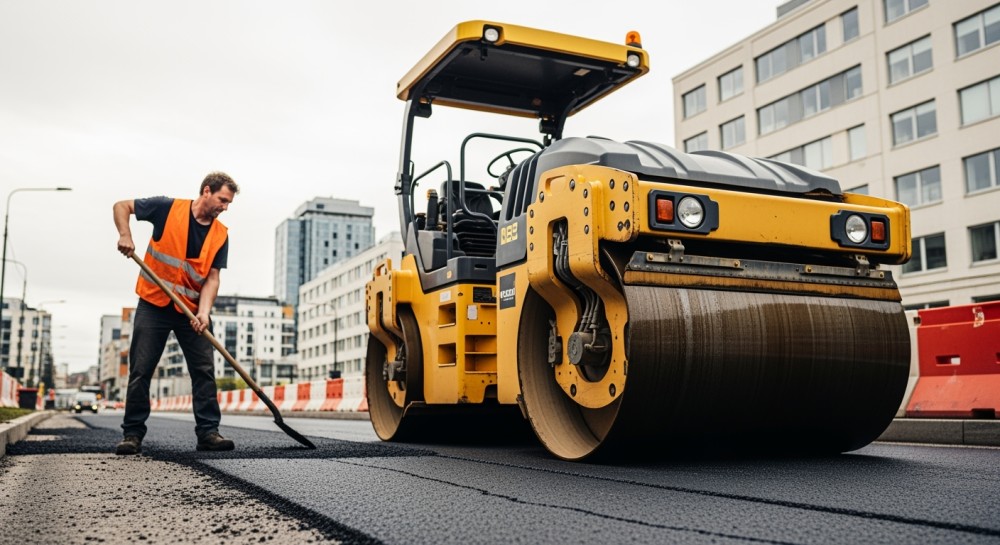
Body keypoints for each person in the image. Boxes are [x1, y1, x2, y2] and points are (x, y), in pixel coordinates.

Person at [112, 172, 239, 455]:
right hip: (154, 305)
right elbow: (121, 206)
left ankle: (208, 433)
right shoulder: (167, 208)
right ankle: (132, 434)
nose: (225, 207)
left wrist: (204, 313)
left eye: (229, 203)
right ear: (206, 191)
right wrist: (125, 234)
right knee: (141, 370)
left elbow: (212, 278)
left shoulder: (221, 235)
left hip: (191, 311)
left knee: (204, 371)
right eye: (222, 200)